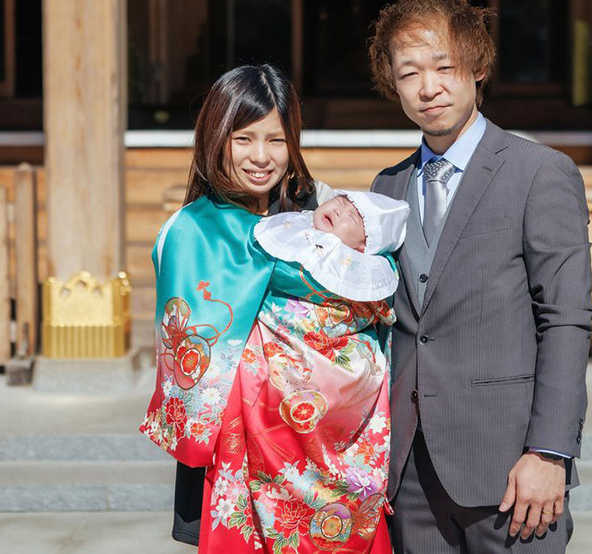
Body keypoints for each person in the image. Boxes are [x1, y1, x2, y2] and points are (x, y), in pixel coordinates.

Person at [140, 63, 404, 553]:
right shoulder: (193, 231)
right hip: (236, 447)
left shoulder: (318, 207)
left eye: (276, 140)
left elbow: (368, 294)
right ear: (216, 138)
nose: (261, 157)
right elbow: (193, 352)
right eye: (244, 139)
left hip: (327, 443)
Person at [368, 0, 592, 553]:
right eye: (409, 73)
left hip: (512, 468)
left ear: (477, 68)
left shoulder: (539, 173)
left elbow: (565, 319)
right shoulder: (387, 188)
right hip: (410, 471)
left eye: (444, 67)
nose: (428, 88)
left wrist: (549, 454)